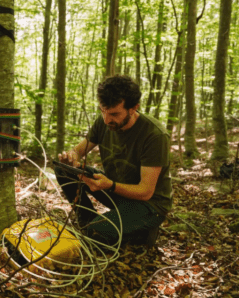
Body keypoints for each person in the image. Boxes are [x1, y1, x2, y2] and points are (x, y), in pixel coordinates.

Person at [56, 75, 172, 247]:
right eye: (103, 111)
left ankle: (141, 231)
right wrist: (71, 157)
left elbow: (145, 191)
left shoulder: (154, 135)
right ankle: (87, 219)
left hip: (149, 205)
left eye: (114, 114)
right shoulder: (104, 122)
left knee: (95, 232)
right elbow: (78, 151)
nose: (106, 119)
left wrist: (109, 185)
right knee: (62, 168)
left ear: (133, 108)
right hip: (114, 188)